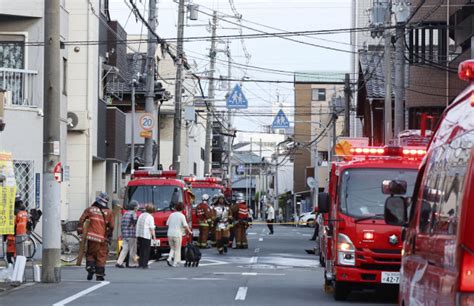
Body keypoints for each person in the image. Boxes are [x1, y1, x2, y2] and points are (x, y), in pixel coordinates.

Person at [78, 192, 115, 281]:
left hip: (91, 237)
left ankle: (90, 268)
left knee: (90, 254)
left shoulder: (90, 210)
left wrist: (80, 232)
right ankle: (100, 275)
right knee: (101, 256)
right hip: (103, 239)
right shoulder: (109, 212)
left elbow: (81, 220)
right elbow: (111, 226)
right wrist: (109, 236)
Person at [166, 202, 192, 267]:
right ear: (182, 208)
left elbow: (167, 223)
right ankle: (175, 263)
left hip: (169, 234)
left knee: (172, 247)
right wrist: (189, 231)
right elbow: (185, 225)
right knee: (177, 248)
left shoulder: (171, 215)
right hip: (177, 234)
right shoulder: (182, 216)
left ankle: (169, 258)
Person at [116, 200, 139, 268]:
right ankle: (131, 263)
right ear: (134, 207)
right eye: (137, 207)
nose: (138, 208)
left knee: (124, 249)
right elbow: (134, 222)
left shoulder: (125, 213)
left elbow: (122, 224)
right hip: (131, 234)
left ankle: (119, 262)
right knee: (132, 249)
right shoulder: (133, 213)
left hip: (124, 234)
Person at [6, 196, 28, 263]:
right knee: (19, 255)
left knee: (11, 256)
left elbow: (12, 224)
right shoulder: (24, 212)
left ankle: (14, 269)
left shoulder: (15, 213)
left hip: (13, 237)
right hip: (21, 236)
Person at [136, 204, 156, 269]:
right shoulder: (150, 217)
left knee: (141, 250)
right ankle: (145, 264)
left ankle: (140, 264)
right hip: (146, 235)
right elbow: (152, 228)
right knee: (146, 250)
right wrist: (154, 237)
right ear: (152, 211)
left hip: (139, 234)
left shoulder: (141, 215)